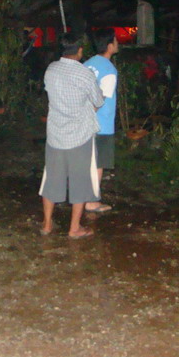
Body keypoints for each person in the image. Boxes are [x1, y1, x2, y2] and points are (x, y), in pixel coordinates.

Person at [39, 32, 104, 239]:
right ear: (80, 50)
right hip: (80, 136)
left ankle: (47, 224)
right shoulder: (85, 74)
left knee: (51, 179)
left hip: (56, 134)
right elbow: (98, 101)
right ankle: (74, 228)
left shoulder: (51, 70)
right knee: (80, 181)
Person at [83, 29, 119, 215]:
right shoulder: (109, 70)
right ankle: (92, 201)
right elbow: (100, 101)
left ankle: (82, 198)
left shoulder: (86, 64)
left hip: (82, 123)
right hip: (101, 125)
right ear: (109, 45)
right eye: (116, 41)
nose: (118, 43)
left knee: (86, 162)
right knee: (97, 164)